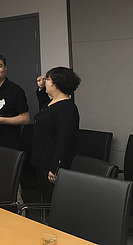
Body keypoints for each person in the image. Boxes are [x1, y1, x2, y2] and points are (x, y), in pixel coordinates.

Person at [31, 67, 80, 202]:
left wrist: (56, 168)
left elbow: (65, 140)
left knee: (52, 199)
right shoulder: (52, 102)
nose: (45, 81)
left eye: (48, 79)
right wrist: (41, 88)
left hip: (51, 162)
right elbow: (44, 110)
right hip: (42, 159)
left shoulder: (67, 108)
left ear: (56, 84)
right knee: (44, 195)